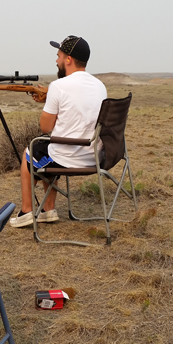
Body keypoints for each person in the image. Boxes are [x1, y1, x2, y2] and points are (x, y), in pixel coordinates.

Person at [10, 35, 108, 228]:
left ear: (68, 59)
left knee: (32, 151)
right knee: (48, 149)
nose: (56, 60)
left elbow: (45, 128)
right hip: (96, 155)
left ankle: (27, 211)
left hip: (71, 156)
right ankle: (48, 210)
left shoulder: (58, 86)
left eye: (59, 56)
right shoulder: (99, 85)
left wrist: (50, 101)